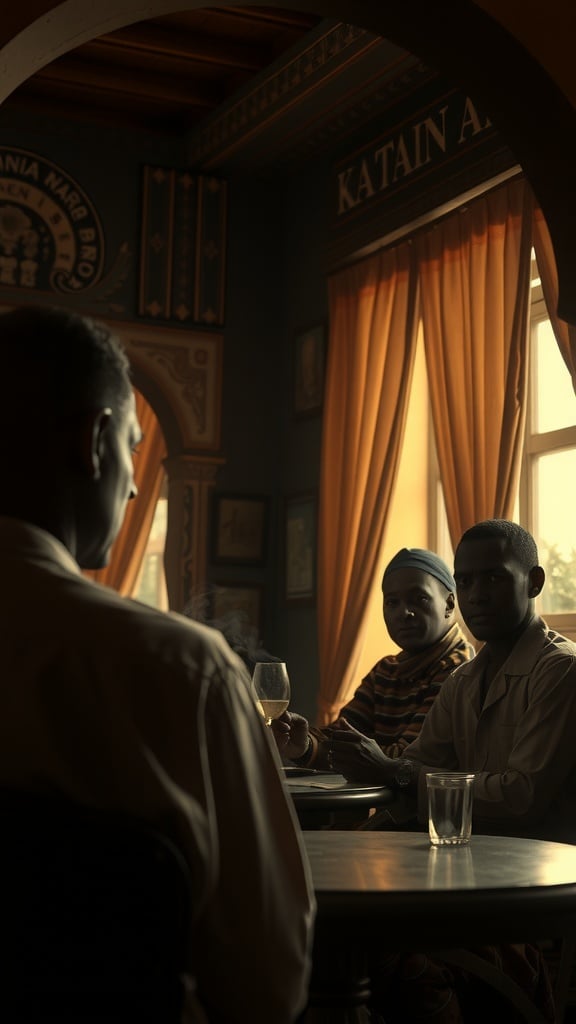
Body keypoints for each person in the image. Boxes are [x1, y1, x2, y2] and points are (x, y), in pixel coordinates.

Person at [0, 305, 315, 1024]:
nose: (137, 487)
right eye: (135, 449)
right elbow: (268, 985)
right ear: (96, 440)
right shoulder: (181, 671)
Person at [334, 519, 575, 1022]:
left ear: (533, 582)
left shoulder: (561, 671)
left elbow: (519, 797)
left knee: (390, 959)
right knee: (332, 943)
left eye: (493, 578)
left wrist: (398, 774)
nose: (475, 595)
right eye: (464, 581)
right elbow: (415, 767)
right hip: (462, 887)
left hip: (531, 904)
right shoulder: (465, 681)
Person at [273, 548, 473, 790]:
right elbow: (342, 736)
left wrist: (333, 750)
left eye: (419, 599)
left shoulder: (459, 670)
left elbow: (405, 760)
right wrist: (303, 744)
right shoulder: (387, 670)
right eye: (392, 602)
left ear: (450, 604)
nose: (404, 613)